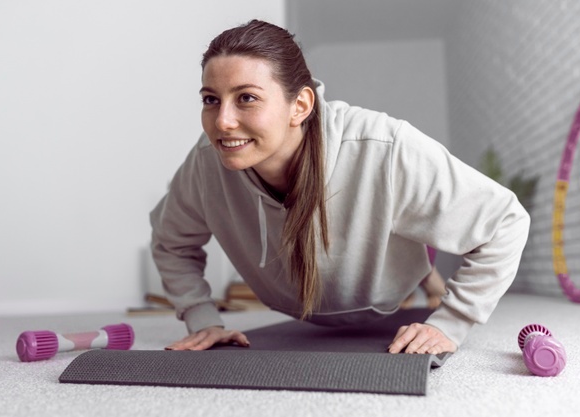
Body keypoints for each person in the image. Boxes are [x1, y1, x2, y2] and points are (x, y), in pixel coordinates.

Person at [150, 20, 530, 355]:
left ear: (300, 105)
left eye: (246, 98)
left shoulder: (385, 146)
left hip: (391, 288)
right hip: (299, 306)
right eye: (211, 100)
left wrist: (452, 321)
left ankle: (428, 274)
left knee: (421, 254)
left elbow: (506, 221)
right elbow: (171, 242)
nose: (223, 121)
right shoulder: (205, 162)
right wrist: (202, 318)